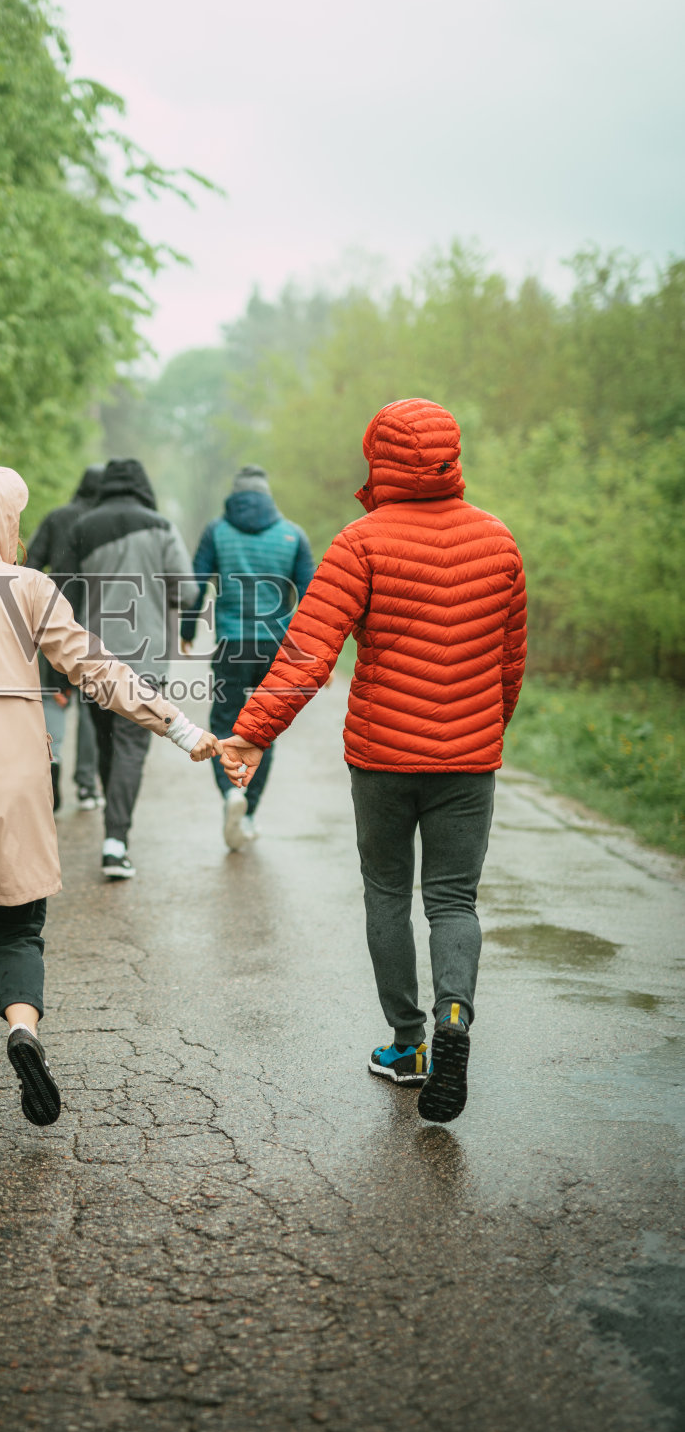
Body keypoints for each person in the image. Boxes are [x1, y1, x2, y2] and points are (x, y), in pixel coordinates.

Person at [0, 460, 218, 1129]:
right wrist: (178, 726)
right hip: (17, 791)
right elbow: (95, 669)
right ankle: (22, 1028)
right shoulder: (26, 588)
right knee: (18, 932)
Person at [220, 400, 527, 1124]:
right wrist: (482, 731)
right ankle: (455, 1016)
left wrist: (252, 734)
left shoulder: (360, 542)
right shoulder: (499, 542)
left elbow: (308, 652)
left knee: (387, 892)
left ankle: (409, 1045)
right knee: (452, 900)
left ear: (379, 459)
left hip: (383, 759)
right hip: (467, 764)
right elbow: (508, 663)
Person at [58, 457, 199, 882]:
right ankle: (116, 842)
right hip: (146, 658)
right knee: (131, 747)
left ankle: (113, 833)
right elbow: (188, 592)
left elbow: (62, 596)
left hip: (92, 658)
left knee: (107, 744)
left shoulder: (82, 527)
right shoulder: (161, 527)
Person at [181, 464, 315, 851]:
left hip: (231, 645)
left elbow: (196, 583)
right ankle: (250, 811)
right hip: (275, 648)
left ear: (235, 495)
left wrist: (187, 630)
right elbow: (312, 596)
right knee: (264, 729)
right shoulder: (293, 534)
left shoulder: (217, 531)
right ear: (267, 495)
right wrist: (310, 649)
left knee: (224, 723)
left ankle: (230, 793)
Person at [26, 465, 105, 813]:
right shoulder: (104, 524)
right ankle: (87, 785)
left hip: (55, 619)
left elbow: (30, 563)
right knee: (91, 705)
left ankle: (52, 761)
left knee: (54, 695)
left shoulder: (58, 518)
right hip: (97, 622)